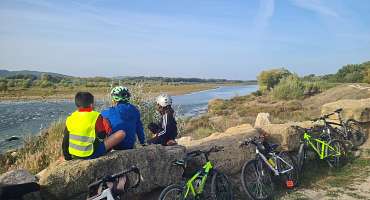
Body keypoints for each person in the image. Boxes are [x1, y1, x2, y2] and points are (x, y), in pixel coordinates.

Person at [62, 92, 126, 160]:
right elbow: (102, 136)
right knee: (121, 133)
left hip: (74, 155)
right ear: (91, 105)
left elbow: (65, 141)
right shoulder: (96, 116)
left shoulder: (70, 117)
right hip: (90, 153)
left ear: (77, 104)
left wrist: (67, 157)